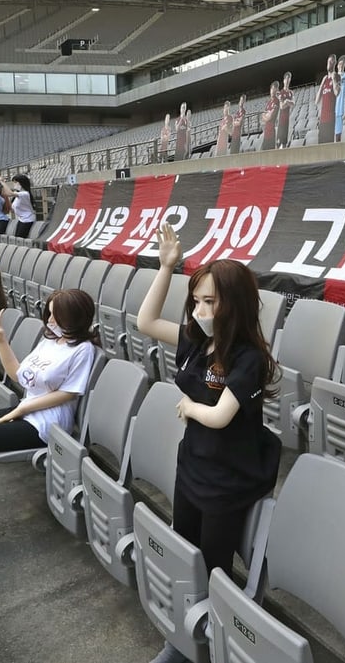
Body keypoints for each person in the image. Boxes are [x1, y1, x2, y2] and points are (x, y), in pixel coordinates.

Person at [138, 223, 282, 663]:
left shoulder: (248, 358)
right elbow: (145, 322)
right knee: (185, 551)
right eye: (196, 301)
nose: (200, 310)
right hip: (194, 464)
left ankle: (209, 643)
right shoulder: (198, 342)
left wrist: (190, 408)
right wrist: (166, 268)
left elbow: (220, 416)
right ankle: (186, 638)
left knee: (214, 565)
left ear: (233, 305)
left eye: (210, 302)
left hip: (229, 475)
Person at [0, 289, 98, 558]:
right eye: (50, 313)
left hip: (47, 423)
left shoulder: (83, 349)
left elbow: (68, 393)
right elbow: (21, 377)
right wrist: (1, 340)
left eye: (58, 315)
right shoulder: (50, 340)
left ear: (76, 317)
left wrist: (21, 408)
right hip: (26, 410)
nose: (51, 320)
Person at [4, 174, 36, 240]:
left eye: (15, 182)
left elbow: (10, 193)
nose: (14, 184)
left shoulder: (25, 194)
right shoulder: (18, 194)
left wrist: (2, 182)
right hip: (21, 219)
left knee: (20, 239)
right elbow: (7, 194)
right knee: (17, 238)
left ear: (21, 183)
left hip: (28, 219)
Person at [316, 54, 338, 144]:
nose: (329, 64)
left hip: (331, 117)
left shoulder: (336, 76)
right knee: (320, 144)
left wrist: (333, 80)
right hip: (323, 118)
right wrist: (321, 84)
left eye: (331, 61)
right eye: (328, 62)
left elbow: (337, 93)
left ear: (334, 63)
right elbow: (316, 101)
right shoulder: (324, 79)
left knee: (328, 144)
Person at [334, 56, 345, 142]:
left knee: (338, 134)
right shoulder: (333, 76)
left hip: (340, 107)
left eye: (342, 64)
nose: (340, 66)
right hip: (332, 107)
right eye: (339, 64)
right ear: (337, 65)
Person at [260, 81, 280, 151]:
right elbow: (263, 116)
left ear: (277, 90)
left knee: (270, 152)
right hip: (266, 130)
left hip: (271, 130)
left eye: (274, 89)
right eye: (271, 89)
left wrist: (266, 115)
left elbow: (270, 117)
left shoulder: (276, 101)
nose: (272, 91)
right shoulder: (269, 102)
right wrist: (266, 115)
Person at [276, 73, 295, 149]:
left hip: (287, 120)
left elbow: (293, 103)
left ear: (290, 80)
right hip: (281, 120)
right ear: (283, 80)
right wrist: (288, 102)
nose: (287, 80)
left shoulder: (291, 92)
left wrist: (286, 101)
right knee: (278, 143)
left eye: (289, 78)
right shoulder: (280, 92)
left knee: (284, 143)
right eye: (286, 79)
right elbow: (282, 106)